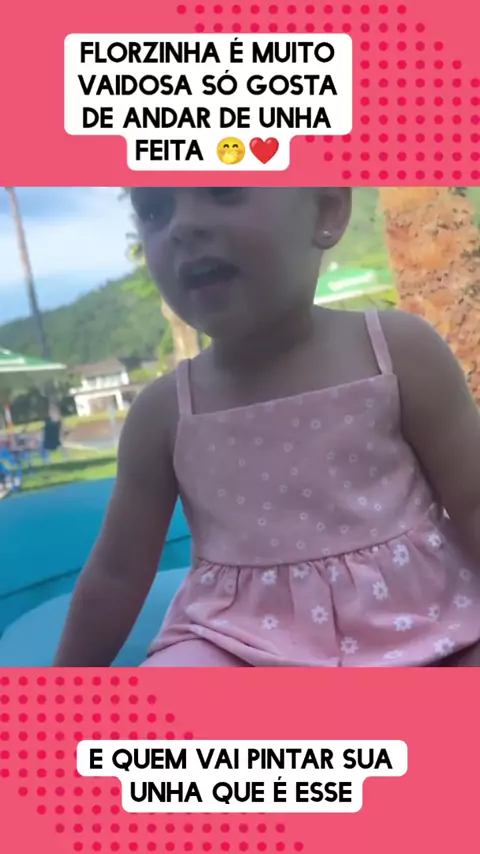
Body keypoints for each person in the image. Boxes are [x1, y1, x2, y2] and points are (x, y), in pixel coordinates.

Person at [54, 187, 480, 668]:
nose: (182, 226)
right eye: (155, 209)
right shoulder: (165, 412)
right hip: (239, 639)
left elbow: (472, 501)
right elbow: (118, 572)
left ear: (326, 210)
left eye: (223, 192)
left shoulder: (397, 352)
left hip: (425, 616)